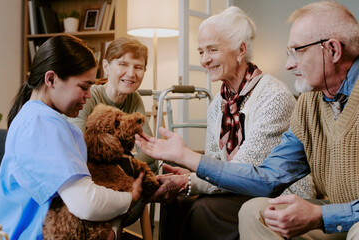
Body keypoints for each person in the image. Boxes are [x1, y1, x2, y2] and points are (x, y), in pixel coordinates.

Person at [136, 1, 359, 239]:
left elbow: (251, 168)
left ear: (333, 50)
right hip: (323, 210)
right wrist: (188, 164)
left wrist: (320, 216)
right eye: (201, 52)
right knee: (252, 212)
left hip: (341, 215)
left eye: (298, 51)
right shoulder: (309, 104)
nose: (288, 64)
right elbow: (268, 176)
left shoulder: (275, 96)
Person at [0, 35, 144, 239]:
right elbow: (85, 203)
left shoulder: (40, 118)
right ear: (51, 79)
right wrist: (129, 198)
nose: (88, 94)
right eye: (83, 87)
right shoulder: (40, 124)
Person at [68, 36, 155, 167]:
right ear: (106, 67)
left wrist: (127, 167)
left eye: (138, 67)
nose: (131, 74)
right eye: (123, 64)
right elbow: (75, 144)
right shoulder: (88, 95)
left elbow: (148, 149)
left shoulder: (134, 98)